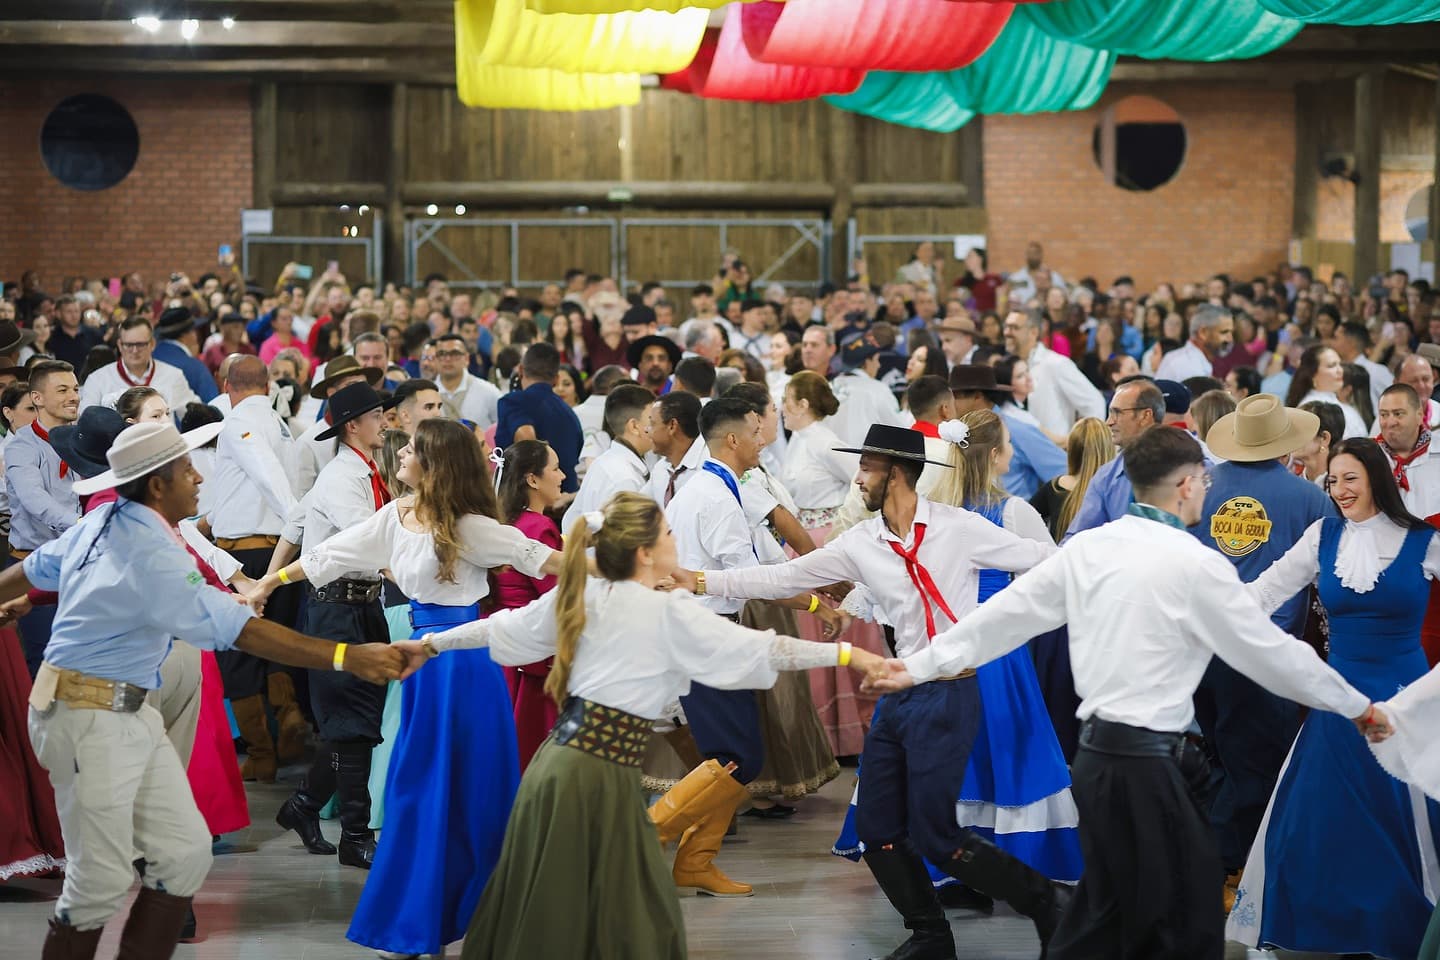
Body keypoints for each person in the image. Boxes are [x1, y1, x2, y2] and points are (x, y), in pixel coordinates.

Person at [864, 426, 1379, 960]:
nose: (1206, 490)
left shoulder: (1090, 548)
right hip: (1148, 767)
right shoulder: (1193, 562)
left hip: (1095, 762)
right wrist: (1355, 704)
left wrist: (918, 665)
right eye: (1203, 481)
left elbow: (1000, 619)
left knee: (1109, 911)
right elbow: (1272, 652)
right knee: (1178, 918)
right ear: (1185, 485)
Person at [391, 492, 881, 960]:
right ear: (646, 552)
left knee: (602, 905)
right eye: (668, 533)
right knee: (598, 910)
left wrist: (432, 645)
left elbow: (499, 627)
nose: (675, 541)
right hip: (586, 774)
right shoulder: (658, 607)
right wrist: (848, 652)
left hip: (572, 769)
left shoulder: (589, 594)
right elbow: (764, 649)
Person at [4, 420, 399, 958]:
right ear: (156, 484)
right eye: (186, 468)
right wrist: (347, 656)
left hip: (123, 710)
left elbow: (32, 570)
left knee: (185, 853)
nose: (199, 476)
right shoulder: (149, 544)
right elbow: (243, 631)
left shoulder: (113, 519)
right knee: (97, 881)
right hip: (85, 714)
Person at [674, 423, 1067, 959]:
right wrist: (696, 580)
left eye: (867, 468)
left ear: (898, 473)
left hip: (951, 692)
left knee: (938, 836)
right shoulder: (863, 542)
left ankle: (1049, 905)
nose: (857, 478)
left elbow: (1044, 561)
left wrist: (1013, 618)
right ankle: (930, 935)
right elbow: (781, 579)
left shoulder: (960, 527)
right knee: (878, 830)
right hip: (901, 691)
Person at [252, 419, 563, 959]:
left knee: (467, 794)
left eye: (413, 450)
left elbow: (544, 559)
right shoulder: (396, 515)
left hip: (464, 669)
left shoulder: (470, 525)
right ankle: (416, 923)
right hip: (422, 667)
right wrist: (265, 583)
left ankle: (483, 919)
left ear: (435, 463)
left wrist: (615, 570)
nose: (401, 455)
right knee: (417, 792)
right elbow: (329, 554)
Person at [1222, 437, 1440, 958]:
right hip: (1338, 699)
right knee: (1318, 819)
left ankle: (1402, 927)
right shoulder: (1320, 536)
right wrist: (1204, 611)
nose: (1338, 489)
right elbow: (1264, 593)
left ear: (1376, 480)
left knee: (1401, 821)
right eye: (1333, 479)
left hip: (1406, 700)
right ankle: (1327, 926)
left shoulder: (1424, 540)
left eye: (1350, 479)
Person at [1192, 395, 1334, 911]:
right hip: (1264, 652)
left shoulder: (1201, 488)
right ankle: (1224, 866)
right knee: (1256, 763)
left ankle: (1212, 863)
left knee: (1216, 756)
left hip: (1201, 644)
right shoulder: (1307, 498)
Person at [266, 382, 397, 870]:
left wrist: (266, 584)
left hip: (358, 606)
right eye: (377, 415)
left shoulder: (358, 471)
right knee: (352, 722)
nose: (385, 420)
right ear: (353, 425)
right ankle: (356, 836)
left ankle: (303, 806)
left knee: (353, 725)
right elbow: (372, 542)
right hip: (338, 607)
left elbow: (295, 528)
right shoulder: (344, 477)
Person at [206, 355, 307, 779]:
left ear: (226, 385)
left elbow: (267, 474)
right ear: (267, 385)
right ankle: (288, 717)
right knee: (278, 642)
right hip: (281, 552)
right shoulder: (282, 424)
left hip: (243, 556)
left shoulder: (237, 424)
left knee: (238, 652)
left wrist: (294, 515)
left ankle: (262, 756)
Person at [494, 438, 566, 770]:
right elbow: (556, 596)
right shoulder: (539, 527)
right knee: (534, 744)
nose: (563, 475)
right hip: (533, 650)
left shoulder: (506, 523)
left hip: (502, 643)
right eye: (555, 468)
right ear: (532, 479)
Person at [6, 360, 80, 676]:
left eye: (75, 389)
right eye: (62, 390)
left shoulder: (81, 439)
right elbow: (35, 501)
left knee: (81, 656)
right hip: (32, 565)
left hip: (76, 563)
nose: (73, 396)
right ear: (37, 398)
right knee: (47, 661)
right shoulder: (20, 446)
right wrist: (81, 525)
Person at [561, 383, 653, 530]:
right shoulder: (625, 479)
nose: (657, 427)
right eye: (652, 421)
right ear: (634, 426)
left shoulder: (606, 461)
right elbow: (623, 541)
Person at [495, 342, 584, 493]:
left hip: (532, 503)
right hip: (565, 501)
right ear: (556, 379)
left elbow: (526, 436)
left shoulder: (512, 402)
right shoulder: (569, 413)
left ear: (521, 370)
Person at [1004, 308, 1105, 439]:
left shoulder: (1055, 364)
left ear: (1033, 332)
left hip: (1054, 453)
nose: (1007, 332)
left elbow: (1095, 403)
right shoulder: (1006, 366)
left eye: (1014, 328)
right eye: (1006, 327)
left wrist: (1079, 445)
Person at [79, 316, 198, 413]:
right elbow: (85, 423)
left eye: (140, 344)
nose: (135, 350)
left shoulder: (173, 376)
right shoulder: (97, 380)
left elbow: (192, 415)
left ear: (152, 344)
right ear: (120, 345)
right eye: (129, 345)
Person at [1030, 418, 1113, 542]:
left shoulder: (1055, 487)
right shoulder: (1116, 492)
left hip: (1061, 558)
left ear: (1071, 450)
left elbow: (1024, 521)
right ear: (1109, 449)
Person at [1376, 382, 1440, 519]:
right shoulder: (1367, 457)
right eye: (1384, 415)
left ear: (1419, 416)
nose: (1390, 422)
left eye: (1398, 414)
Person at [829, 340, 905, 447]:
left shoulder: (828, 387)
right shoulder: (878, 389)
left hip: (828, 459)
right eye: (877, 360)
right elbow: (898, 430)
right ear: (867, 362)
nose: (878, 365)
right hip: (864, 460)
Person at [1285, 343, 1367, 438]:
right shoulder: (1311, 408)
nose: (1340, 370)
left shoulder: (1336, 401)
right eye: (1331, 366)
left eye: (1340, 364)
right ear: (1313, 374)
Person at [434, 333, 501, 430]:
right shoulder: (428, 394)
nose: (447, 359)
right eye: (442, 354)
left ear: (466, 358)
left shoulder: (488, 392)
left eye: (454, 353)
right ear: (436, 359)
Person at [154, 307, 220, 404]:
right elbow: (214, 408)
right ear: (187, 334)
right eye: (194, 331)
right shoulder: (195, 367)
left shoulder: (147, 359)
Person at [1155, 304, 1234, 383]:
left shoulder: (1186, 359)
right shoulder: (1188, 366)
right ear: (1203, 333)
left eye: (1231, 332)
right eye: (1224, 332)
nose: (1230, 339)